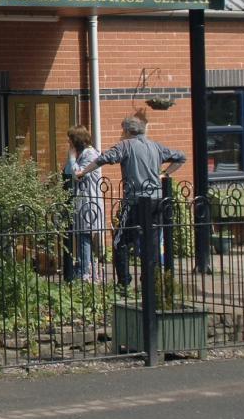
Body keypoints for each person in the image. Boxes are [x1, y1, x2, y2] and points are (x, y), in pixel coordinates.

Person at [74, 115, 185, 289]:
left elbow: (103, 159)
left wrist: (83, 172)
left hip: (134, 202)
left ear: (126, 130)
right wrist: (165, 174)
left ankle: (124, 282)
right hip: (156, 201)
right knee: (152, 243)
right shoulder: (156, 146)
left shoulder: (125, 145)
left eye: (122, 130)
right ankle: (151, 283)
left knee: (120, 242)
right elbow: (181, 157)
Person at [63, 126, 105, 281]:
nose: (68, 141)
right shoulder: (80, 154)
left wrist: (73, 157)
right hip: (80, 201)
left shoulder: (90, 154)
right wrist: (72, 157)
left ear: (77, 140)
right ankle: (83, 269)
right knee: (81, 235)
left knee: (85, 236)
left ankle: (85, 274)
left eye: (70, 139)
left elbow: (77, 175)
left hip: (89, 202)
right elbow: (67, 171)